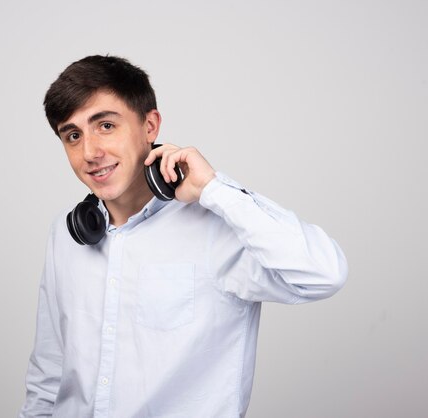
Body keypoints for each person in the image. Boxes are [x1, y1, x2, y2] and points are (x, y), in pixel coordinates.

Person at [19, 55, 348, 418]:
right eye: (73, 135)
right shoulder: (66, 236)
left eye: (106, 126)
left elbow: (324, 274)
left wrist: (213, 189)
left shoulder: (217, 228)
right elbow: (48, 377)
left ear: (150, 126)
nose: (90, 153)